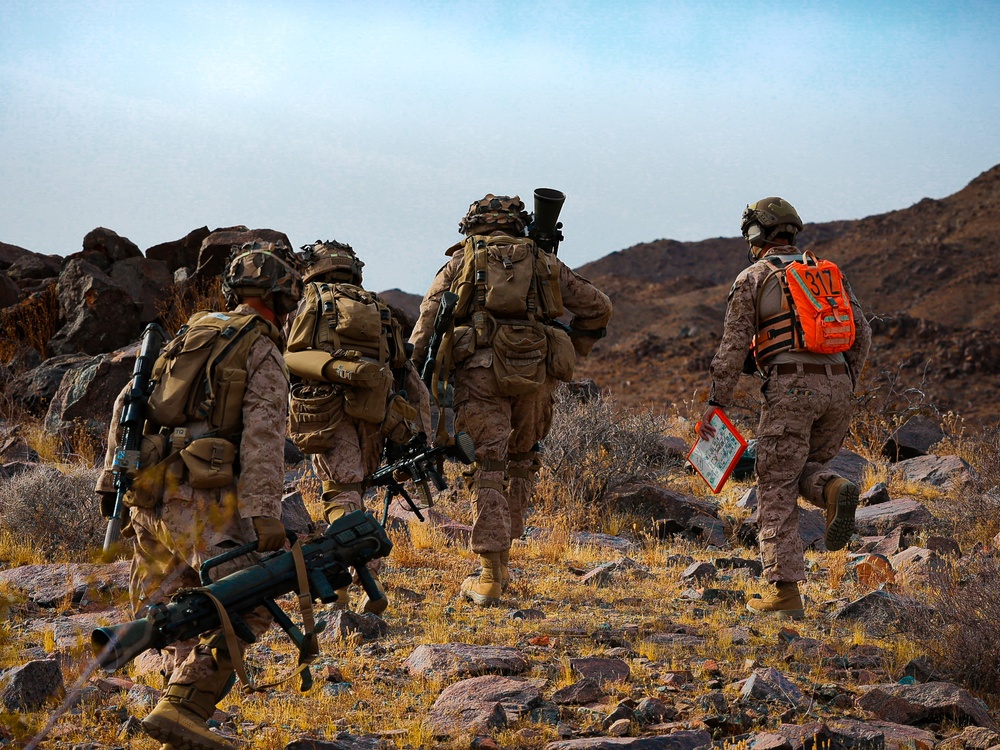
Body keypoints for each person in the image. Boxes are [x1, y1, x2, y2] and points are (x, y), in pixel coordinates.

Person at [95, 240, 302, 750]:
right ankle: (185, 706)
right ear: (282, 300)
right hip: (202, 501)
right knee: (251, 598)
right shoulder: (261, 348)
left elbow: (129, 400)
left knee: (173, 606)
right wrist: (263, 516)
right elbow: (263, 437)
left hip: (148, 493)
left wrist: (110, 478)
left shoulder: (192, 331)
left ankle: (172, 708)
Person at [410, 193, 612, 606]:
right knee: (522, 459)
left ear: (472, 226)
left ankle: (488, 575)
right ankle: (505, 556)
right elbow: (598, 307)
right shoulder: (542, 261)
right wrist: (573, 344)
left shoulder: (460, 262)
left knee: (488, 466)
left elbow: (426, 321)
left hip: (481, 373)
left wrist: (415, 371)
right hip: (535, 372)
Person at [697, 197, 871, 619]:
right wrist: (843, 381)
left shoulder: (754, 277)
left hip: (791, 388)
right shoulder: (827, 274)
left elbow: (733, 346)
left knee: (774, 483)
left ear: (756, 233)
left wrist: (716, 402)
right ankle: (832, 489)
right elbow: (862, 334)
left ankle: (784, 594)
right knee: (798, 467)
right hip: (838, 387)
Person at [284, 240, 430, 614]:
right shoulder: (377, 308)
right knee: (359, 490)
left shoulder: (311, 302)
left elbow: (288, 356)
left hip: (326, 412)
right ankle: (370, 579)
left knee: (340, 493)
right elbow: (405, 369)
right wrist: (422, 427)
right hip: (375, 413)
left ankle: (347, 586)